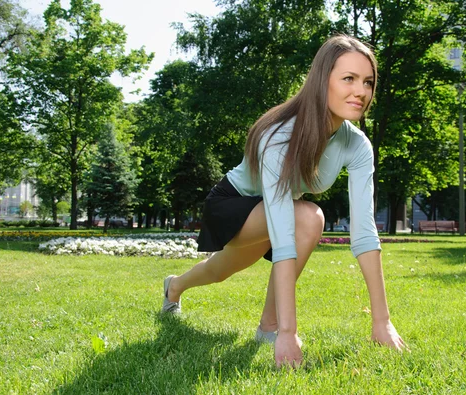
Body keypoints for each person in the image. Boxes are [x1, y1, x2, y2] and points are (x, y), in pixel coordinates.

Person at [162, 34, 407, 367]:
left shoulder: (358, 145)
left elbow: (364, 233)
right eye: (348, 78)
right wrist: (288, 332)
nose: (361, 91)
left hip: (276, 210)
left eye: (368, 81)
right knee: (309, 218)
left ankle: (174, 287)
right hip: (232, 203)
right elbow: (282, 232)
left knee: (221, 269)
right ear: (323, 81)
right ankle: (273, 326)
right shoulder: (280, 134)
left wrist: (382, 321)